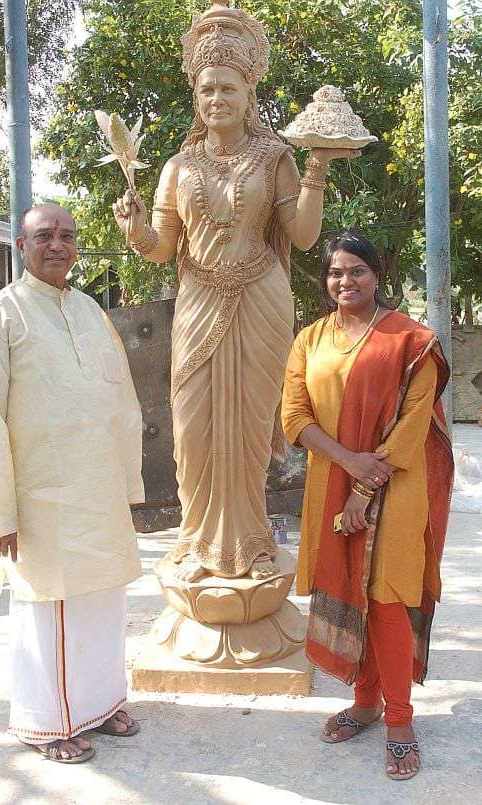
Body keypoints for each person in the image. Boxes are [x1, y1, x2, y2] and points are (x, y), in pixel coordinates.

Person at [112, 0, 358, 582]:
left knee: (249, 427)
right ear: (195, 98)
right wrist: (135, 231)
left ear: (249, 93)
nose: (216, 99)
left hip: (261, 301)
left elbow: (300, 238)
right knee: (193, 429)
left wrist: (317, 166)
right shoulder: (176, 166)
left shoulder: (275, 158)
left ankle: (251, 542)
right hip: (199, 303)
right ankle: (198, 543)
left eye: (227, 88)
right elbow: (164, 248)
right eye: (206, 91)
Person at [0, 204, 144, 764]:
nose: (58, 245)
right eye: (45, 236)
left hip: (98, 493)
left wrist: (129, 487)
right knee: (51, 609)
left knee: (103, 602)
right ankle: (47, 723)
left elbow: (123, 403)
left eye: (67, 236)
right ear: (21, 245)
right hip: (40, 501)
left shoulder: (92, 310)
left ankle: (100, 702)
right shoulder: (0, 316)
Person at [281, 232, 453, 780]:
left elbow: (413, 424)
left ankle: (399, 720)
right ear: (325, 281)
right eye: (335, 272)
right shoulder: (309, 339)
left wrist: (365, 483)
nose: (345, 281)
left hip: (397, 484)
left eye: (357, 270)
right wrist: (349, 465)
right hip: (332, 477)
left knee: (386, 597)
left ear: (378, 275)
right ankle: (366, 700)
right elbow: (294, 418)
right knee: (348, 587)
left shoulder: (411, 340)